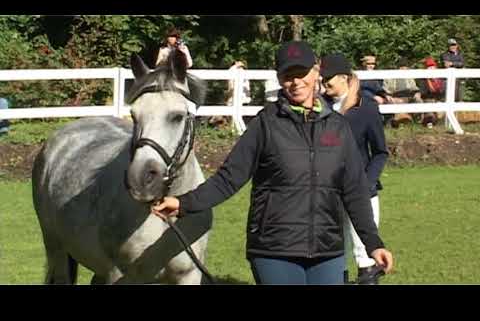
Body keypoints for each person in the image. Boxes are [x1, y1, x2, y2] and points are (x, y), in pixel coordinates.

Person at [151, 41, 394, 285]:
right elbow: (229, 178)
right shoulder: (265, 124)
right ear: (279, 78)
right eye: (288, 75)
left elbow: (355, 190)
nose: (296, 82)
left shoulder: (338, 127)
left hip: (327, 250)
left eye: (301, 73)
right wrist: (184, 203)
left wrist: (373, 243)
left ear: (316, 71)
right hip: (274, 250)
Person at [320, 53, 389, 284]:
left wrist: (366, 182)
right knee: (334, 251)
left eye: (327, 81)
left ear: (343, 78)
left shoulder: (366, 108)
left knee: (365, 253)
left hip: (362, 191)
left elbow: (380, 152)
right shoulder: (320, 107)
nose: (323, 85)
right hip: (328, 190)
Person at [383, 57, 423, 127]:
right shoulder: (390, 77)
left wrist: (417, 93)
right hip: (395, 97)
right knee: (391, 103)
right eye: (402, 67)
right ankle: (393, 121)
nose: (404, 69)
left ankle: (417, 120)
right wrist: (389, 97)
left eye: (405, 67)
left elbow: (414, 88)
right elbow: (385, 89)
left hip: (408, 97)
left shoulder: (409, 77)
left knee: (418, 100)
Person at [417, 57, 446, 128]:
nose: (431, 68)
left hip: (438, 98)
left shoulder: (440, 78)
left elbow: (443, 91)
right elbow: (423, 92)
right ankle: (428, 123)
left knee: (441, 110)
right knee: (429, 109)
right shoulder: (423, 79)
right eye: (429, 67)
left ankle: (438, 122)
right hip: (427, 98)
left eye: (432, 66)